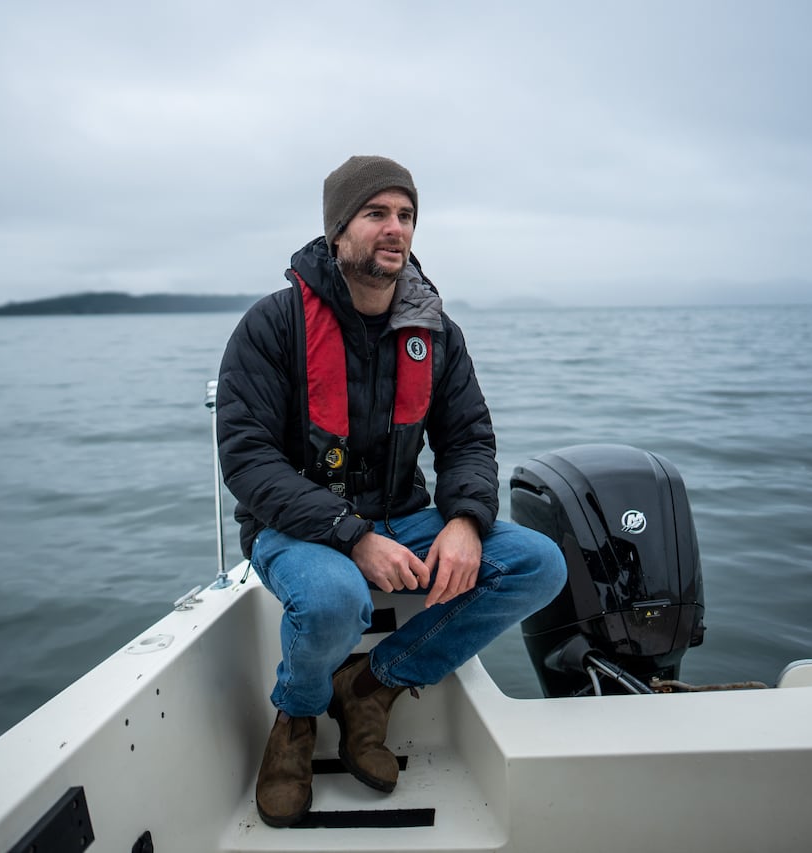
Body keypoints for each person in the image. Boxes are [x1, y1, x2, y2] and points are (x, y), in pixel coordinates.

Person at [215, 155, 567, 827]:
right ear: (337, 232)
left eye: (405, 215)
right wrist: (352, 533)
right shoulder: (272, 328)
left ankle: (373, 686)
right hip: (294, 526)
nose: (395, 228)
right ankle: (295, 716)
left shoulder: (435, 332)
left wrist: (465, 519)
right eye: (376, 213)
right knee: (334, 597)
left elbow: (468, 438)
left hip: (403, 518)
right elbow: (248, 459)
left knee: (537, 563)